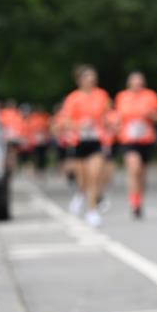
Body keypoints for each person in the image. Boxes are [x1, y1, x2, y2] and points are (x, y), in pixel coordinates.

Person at [61, 65, 113, 226]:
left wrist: (110, 124)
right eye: (87, 76)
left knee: (95, 176)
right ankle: (80, 195)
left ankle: (92, 211)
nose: (91, 79)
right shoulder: (73, 98)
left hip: (96, 141)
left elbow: (109, 115)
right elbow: (65, 121)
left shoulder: (102, 95)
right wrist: (80, 124)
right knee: (83, 179)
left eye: (93, 76)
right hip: (79, 141)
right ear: (80, 80)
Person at [115, 71, 157, 218]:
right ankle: (134, 202)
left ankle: (139, 200)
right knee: (133, 169)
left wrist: (151, 115)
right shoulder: (122, 97)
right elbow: (118, 117)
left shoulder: (150, 96)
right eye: (134, 81)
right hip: (129, 139)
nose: (137, 84)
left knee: (142, 173)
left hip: (146, 139)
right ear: (129, 83)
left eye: (139, 81)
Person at [0, 99, 25, 174]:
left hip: (6, 137)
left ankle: (7, 167)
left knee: (7, 152)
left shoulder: (3, 113)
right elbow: (21, 125)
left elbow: (0, 124)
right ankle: (11, 167)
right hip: (14, 136)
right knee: (12, 152)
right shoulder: (17, 113)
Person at [26, 105, 52, 177]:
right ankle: (36, 169)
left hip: (42, 140)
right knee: (35, 155)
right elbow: (29, 129)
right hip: (35, 141)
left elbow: (48, 128)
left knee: (42, 155)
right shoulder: (33, 118)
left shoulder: (45, 117)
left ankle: (42, 169)